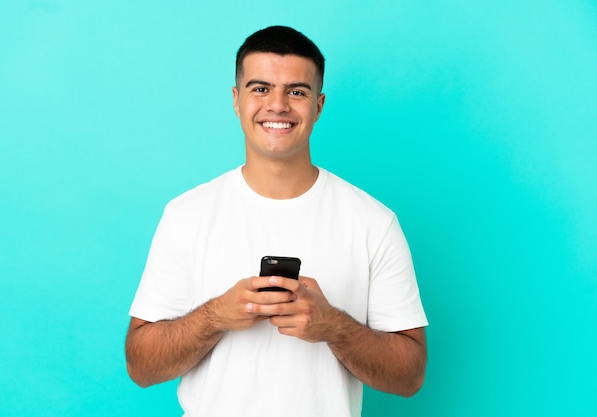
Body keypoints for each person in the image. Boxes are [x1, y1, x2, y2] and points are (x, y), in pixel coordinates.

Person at [125, 25, 428, 417]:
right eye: (260, 88)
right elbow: (140, 367)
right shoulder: (186, 215)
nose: (278, 105)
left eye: (296, 92)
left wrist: (333, 326)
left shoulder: (373, 222)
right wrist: (216, 316)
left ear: (318, 105)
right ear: (237, 100)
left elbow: (410, 377)